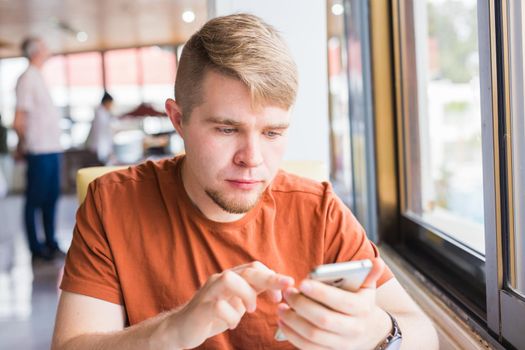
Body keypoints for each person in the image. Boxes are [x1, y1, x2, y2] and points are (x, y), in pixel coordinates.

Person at [52, 14, 438, 350]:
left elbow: (425, 335)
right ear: (178, 120)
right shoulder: (113, 203)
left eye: (272, 133)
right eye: (226, 129)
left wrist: (375, 331)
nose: (252, 158)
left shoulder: (318, 208)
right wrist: (172, 330)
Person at [13, 37, 64, 261]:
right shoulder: (27, 79)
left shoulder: (39, 77)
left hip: (52, 149)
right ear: (35, 52)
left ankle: (51, 243)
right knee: (35, 200)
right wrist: (24, 145)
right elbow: (19, 120)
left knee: (51, 198)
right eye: (44, 45)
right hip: (39, 150)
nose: (48, 48)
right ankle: (36, 248)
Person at [85, 91, 115, 164]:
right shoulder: (100, 114)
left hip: (100, 148)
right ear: (107, 102)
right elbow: (104, 134)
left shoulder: (103, 113)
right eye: (111, 104)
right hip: (98, 149)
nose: (111, 106)